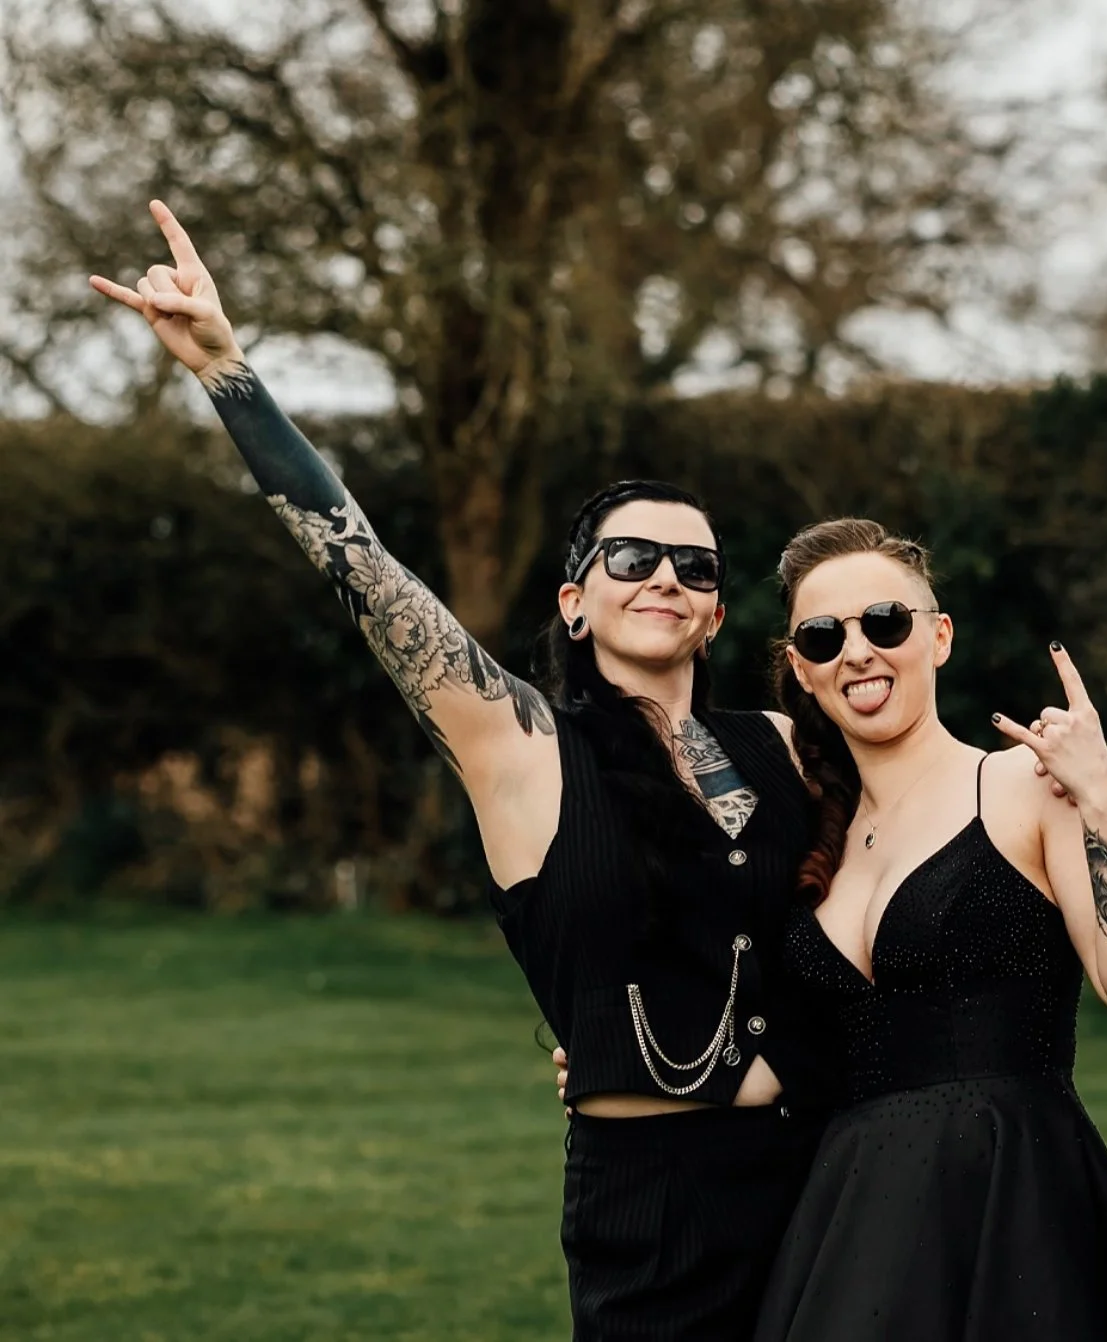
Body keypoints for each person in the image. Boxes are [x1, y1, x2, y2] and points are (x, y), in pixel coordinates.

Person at [90, 201, 834, 1341]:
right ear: (575, 601)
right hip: (654, 1216)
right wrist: (229, 373)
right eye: (633, 556)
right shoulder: (521, 747)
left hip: (822, 1180)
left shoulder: (782, 748)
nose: (665, 577)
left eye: (696, 566)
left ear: (718, 614)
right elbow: (361, 565)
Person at [752, 517, 1107, 1341]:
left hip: (1014, 1206)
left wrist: (1106, 798)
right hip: (851, 1223)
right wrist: (621, 1068)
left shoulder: (1025, 785)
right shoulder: (809, 840)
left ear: (939, 637)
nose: (858, 652)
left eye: (885, 622)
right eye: (824, 636)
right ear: (802, 669)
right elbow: (779, 1052)